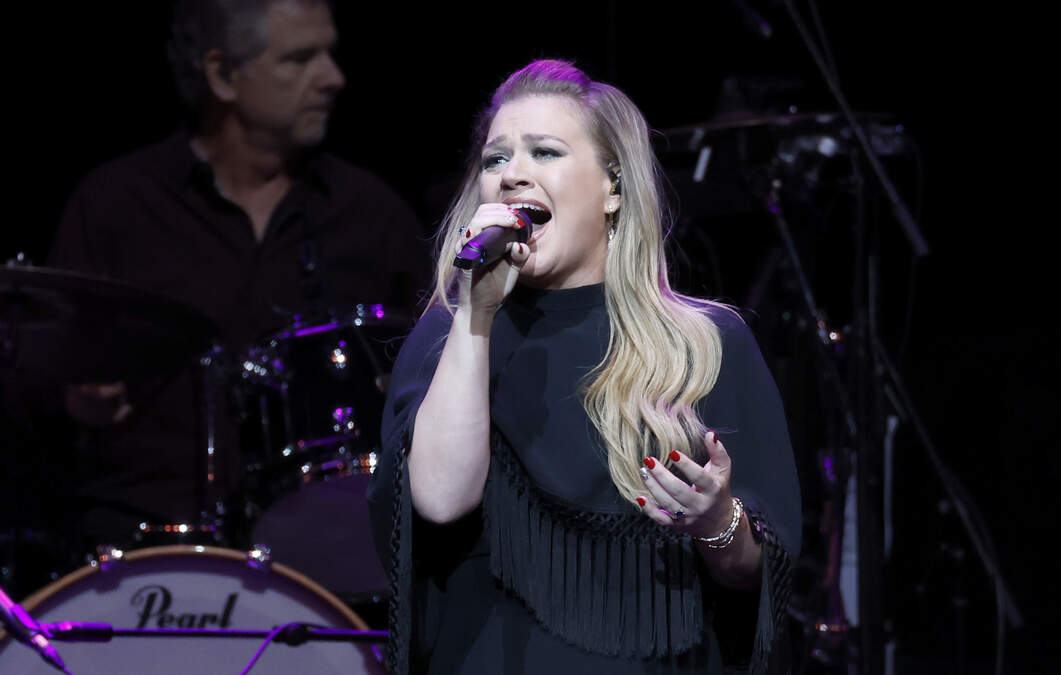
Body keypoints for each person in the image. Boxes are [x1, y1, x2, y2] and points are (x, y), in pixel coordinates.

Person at [367, 60, 803, 674]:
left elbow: (757, 576)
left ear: (612, 189)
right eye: (495, 159)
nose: (512, 175)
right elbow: (439, 502)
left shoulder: (704, 343)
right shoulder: (450, 331)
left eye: (544, 152)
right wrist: (475, 315)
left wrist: (716, 522)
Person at [45, 0, 428, 564]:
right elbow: (36, 388)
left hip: (327, 552)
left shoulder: (371, 214)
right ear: (223, 75)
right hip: (140, 553)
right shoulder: (116, 206)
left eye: (329, 53)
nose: (333, 78)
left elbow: (441, 367)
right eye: (300, 58)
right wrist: (75, 401)